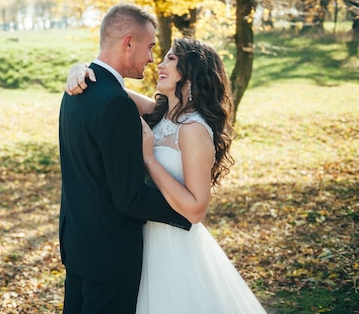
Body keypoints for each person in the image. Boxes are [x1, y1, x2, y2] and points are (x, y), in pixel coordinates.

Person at [66, 37, 268, 313]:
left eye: (171, 59)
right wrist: (78, 69)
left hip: (173, 246)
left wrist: (149, 158)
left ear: (193, 70)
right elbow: (110, 88)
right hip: (141, 237)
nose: (159, 64)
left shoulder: (194, 130)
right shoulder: (159, 113)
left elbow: (196, 209)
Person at [58, 3, 191, 314]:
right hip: (109, 256)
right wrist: (187, 211)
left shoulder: (77, 89)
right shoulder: (115, 103)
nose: (151, 58)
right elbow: (129, 197)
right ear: (128, 42)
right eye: (149, 47)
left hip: (78, 243)